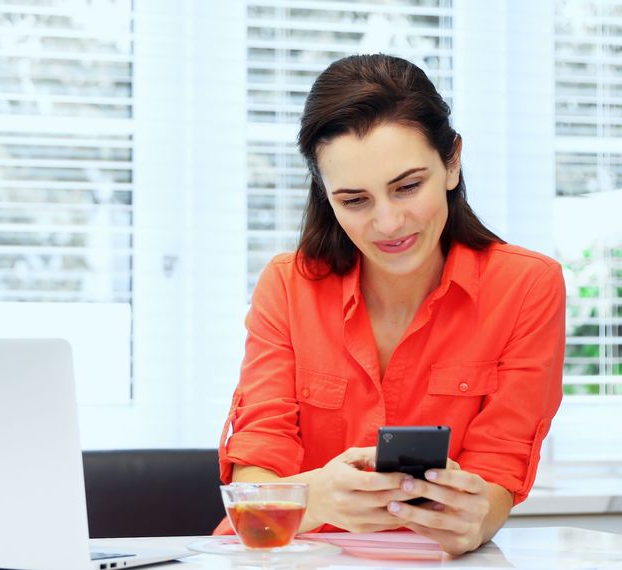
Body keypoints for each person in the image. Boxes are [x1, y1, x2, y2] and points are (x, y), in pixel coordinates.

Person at [216, 54, 565, 556]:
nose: (388, 224)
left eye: (407, 187)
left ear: (451, 162)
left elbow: (500, 468)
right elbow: (255, 474)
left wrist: (474, 518)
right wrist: (317, 499)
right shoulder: (287, 286)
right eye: (355, 201)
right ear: (326, 196)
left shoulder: (527, 287)